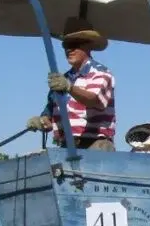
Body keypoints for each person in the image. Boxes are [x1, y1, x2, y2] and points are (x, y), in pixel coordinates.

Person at [27, 18, 116, 151]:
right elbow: (50, 112)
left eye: (75, 44)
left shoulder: (100, 73)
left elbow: (94, 100)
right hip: (67, 146)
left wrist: (69, 87)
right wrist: (42, 120)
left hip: (96, 145)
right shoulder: (62, 79)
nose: (69, 49)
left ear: (88, 45)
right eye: (66, 45)